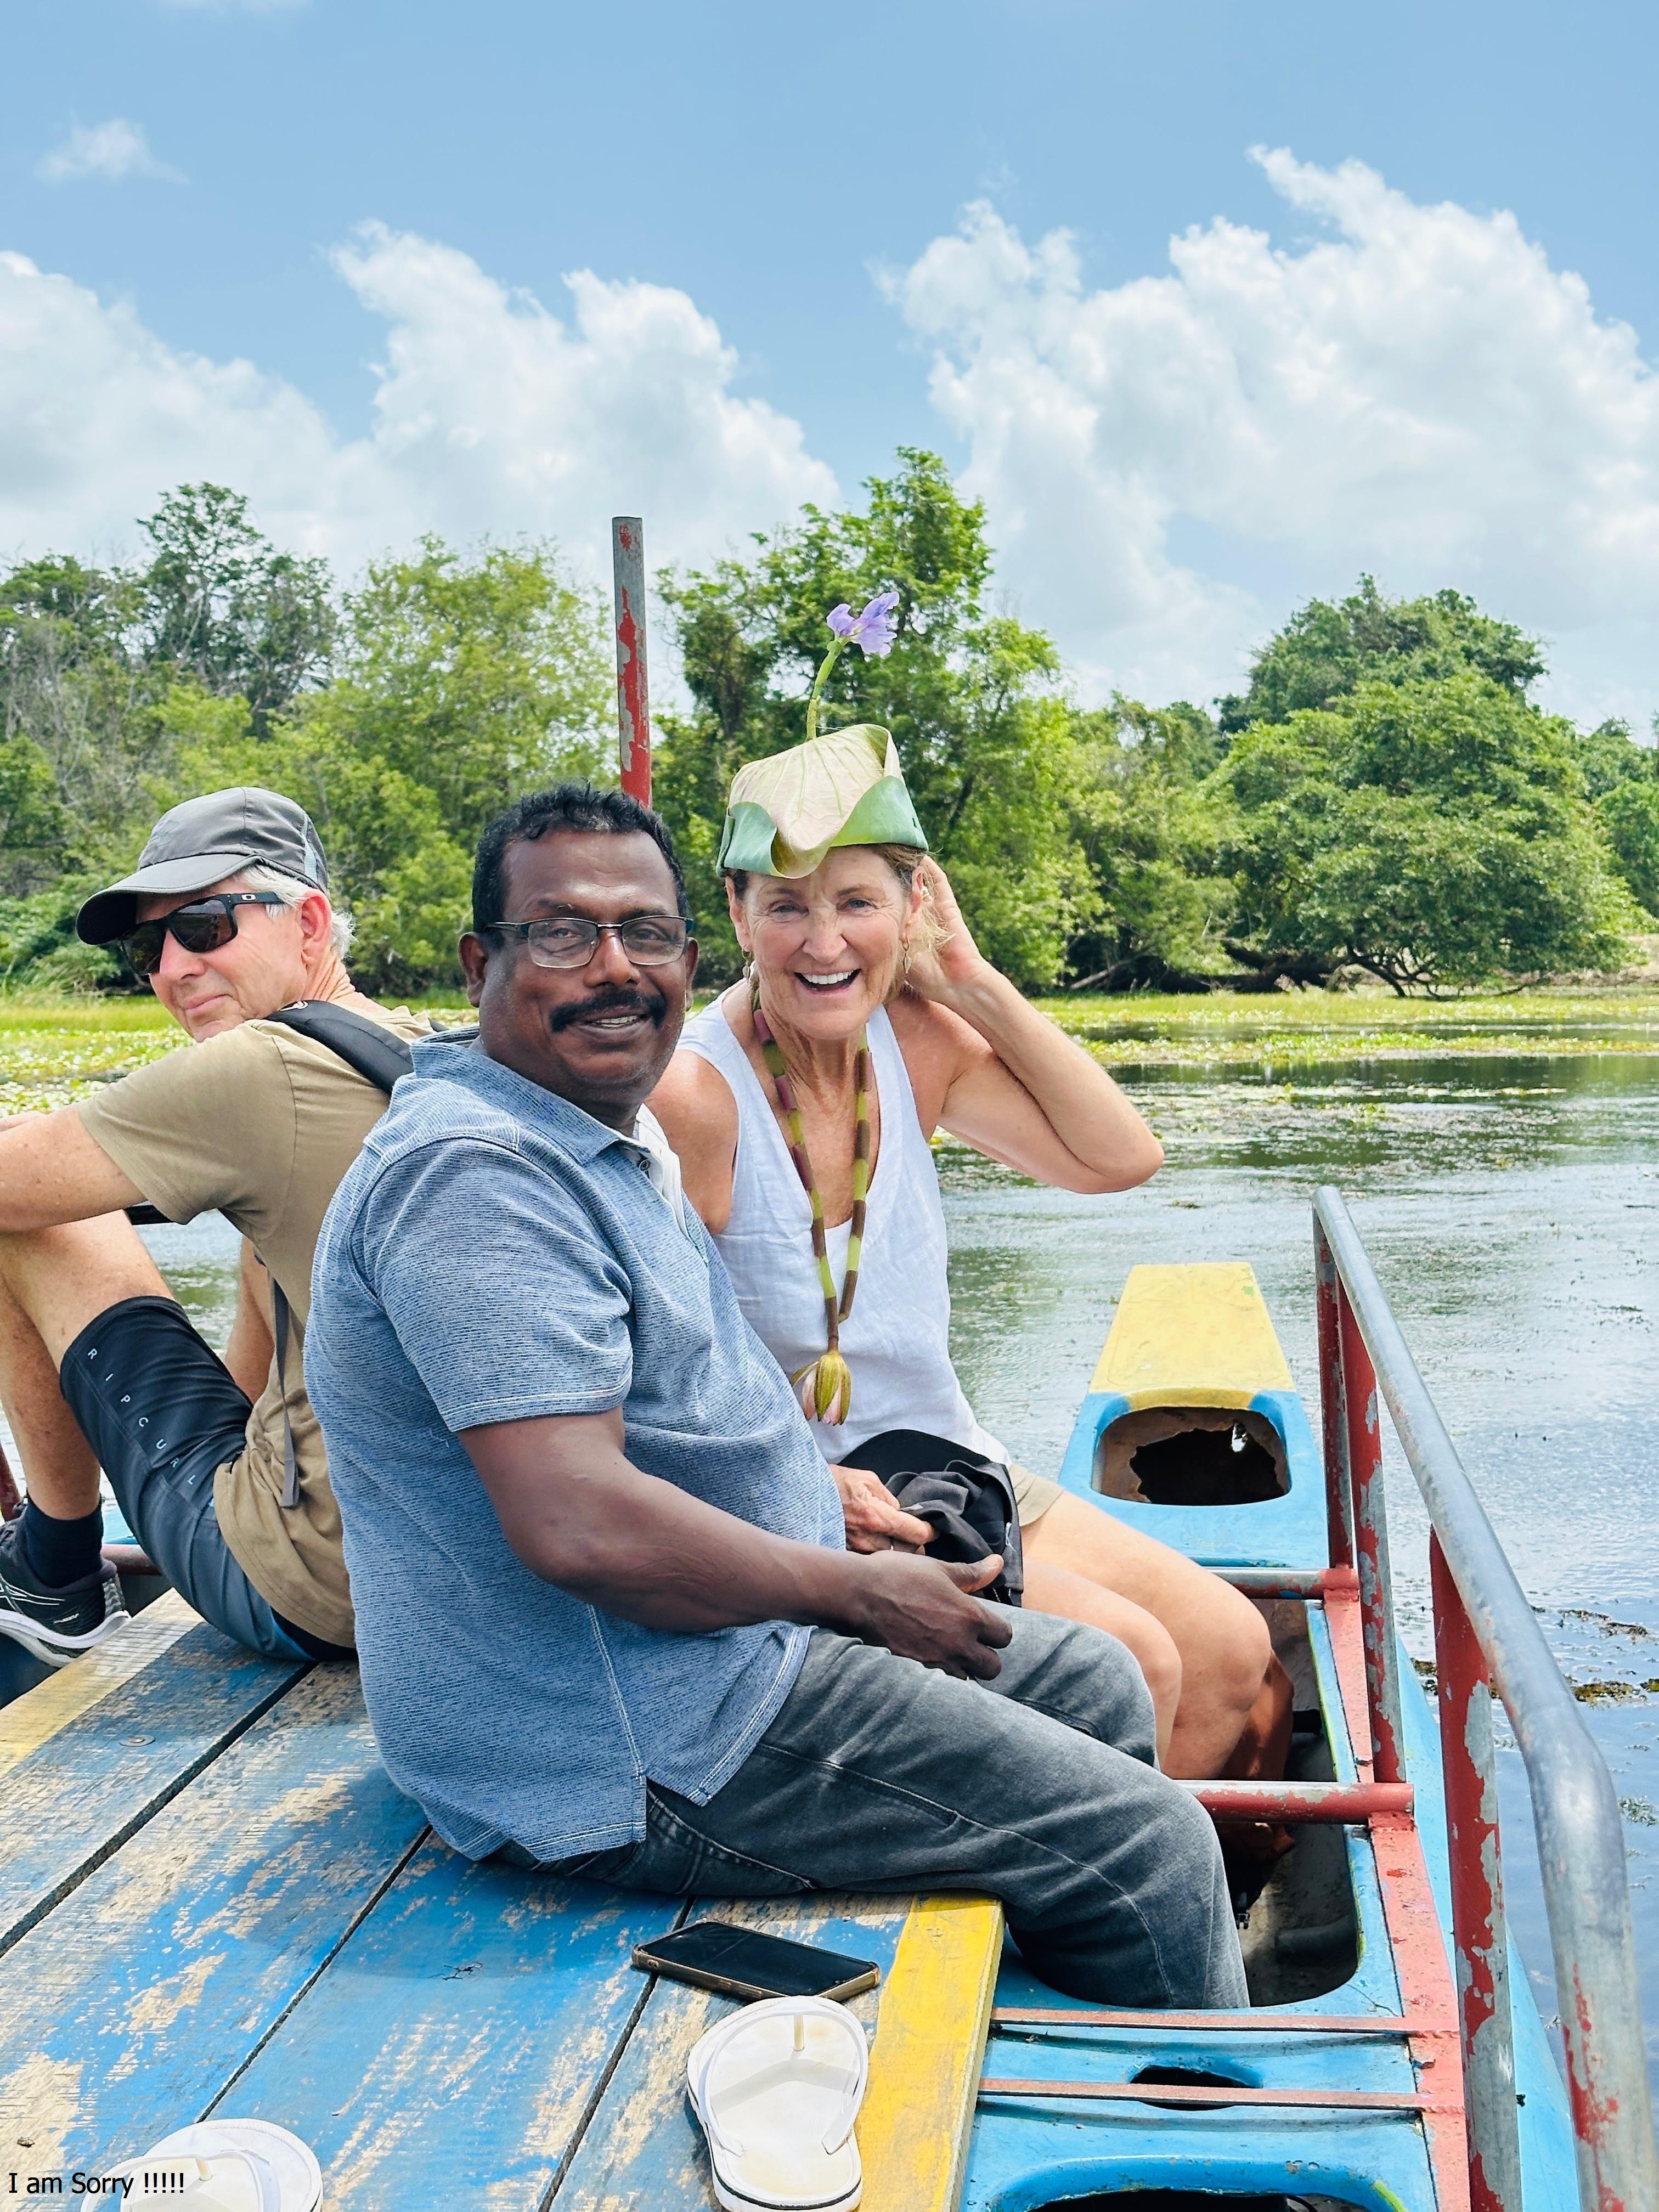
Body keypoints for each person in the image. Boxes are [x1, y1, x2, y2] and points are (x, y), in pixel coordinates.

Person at [305, 783, 1248, 2008]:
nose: (612, 968)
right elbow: (577, 1522)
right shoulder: (477, 1183)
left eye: (645, 935)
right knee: (1150, 1845)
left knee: (1096, 1682)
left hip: (723, 1650)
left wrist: (818, 1501)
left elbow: (685, 1411)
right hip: (631, 1742)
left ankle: (1038, 2021)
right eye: (561, 933)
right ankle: (1167, 2151)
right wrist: (859, 1592)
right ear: (481, 960)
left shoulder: (580, 1133)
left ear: (689, 960)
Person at [650, 709, 1291, 1780]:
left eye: (859, 902)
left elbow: (1117, 1157)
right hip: (813, 1502)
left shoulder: (918, 1044)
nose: (823, 943)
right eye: (787, 907)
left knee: (1233, 1651)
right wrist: (800, 1485)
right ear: (735, 910)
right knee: (1131, 1665)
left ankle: (1157, 1910)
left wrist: (971, 981)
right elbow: (656, 1366)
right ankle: (1093, 1904)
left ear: (913, 903)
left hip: (948, 1463)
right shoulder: (698, 1094)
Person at [0, 787, 431, 1665]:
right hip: (439, 1580)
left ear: (310, 924)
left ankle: (54, 1575)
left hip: (320, 1593)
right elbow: (261, 1372)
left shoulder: (260, 1070)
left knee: (25, 1205)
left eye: (203, 926)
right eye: (146, 946)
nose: (169, 969)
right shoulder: (415, 1049)